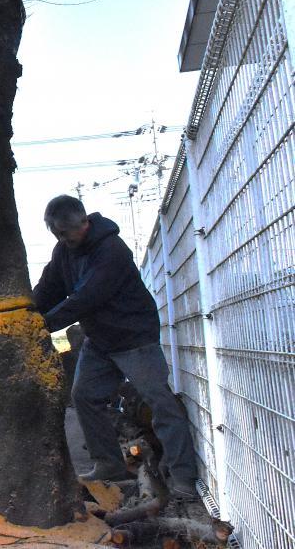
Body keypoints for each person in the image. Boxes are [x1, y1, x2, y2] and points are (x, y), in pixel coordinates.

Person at [32, 195, 198, 500]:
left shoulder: (112, 250)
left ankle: (183, 476)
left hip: (134, 338)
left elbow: (85, 298)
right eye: (55, 234)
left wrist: (40, 326)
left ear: (83, 222)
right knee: (84, 396)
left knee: (159, 402)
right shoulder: (64, 251)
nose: (61, 239)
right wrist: (25, 312)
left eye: (64, 233)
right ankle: (109, 464)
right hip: (101, 340)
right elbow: (48, 289)